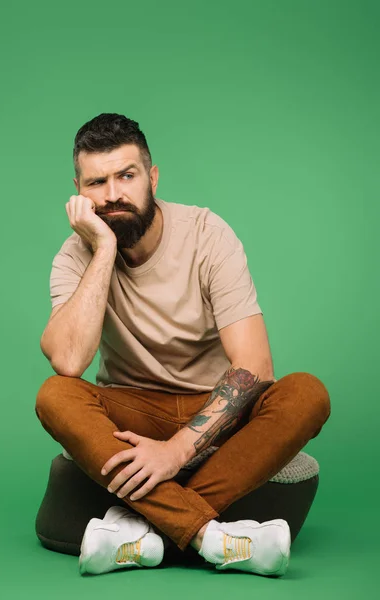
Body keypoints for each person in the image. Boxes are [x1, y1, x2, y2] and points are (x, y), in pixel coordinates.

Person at [35, 112, 331, 577]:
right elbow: (69, 360)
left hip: (212, 408)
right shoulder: (77, 255)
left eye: (126, 176)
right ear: (79, 191)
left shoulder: (208, 235)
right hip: (132, 409)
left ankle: (138, 529)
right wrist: (105, 250)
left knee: (306, 394)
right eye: (97, 182)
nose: (113, 194)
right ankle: (213, 538)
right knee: (55, 395)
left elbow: (255, 365)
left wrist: (175, 452)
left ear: (151, 177)